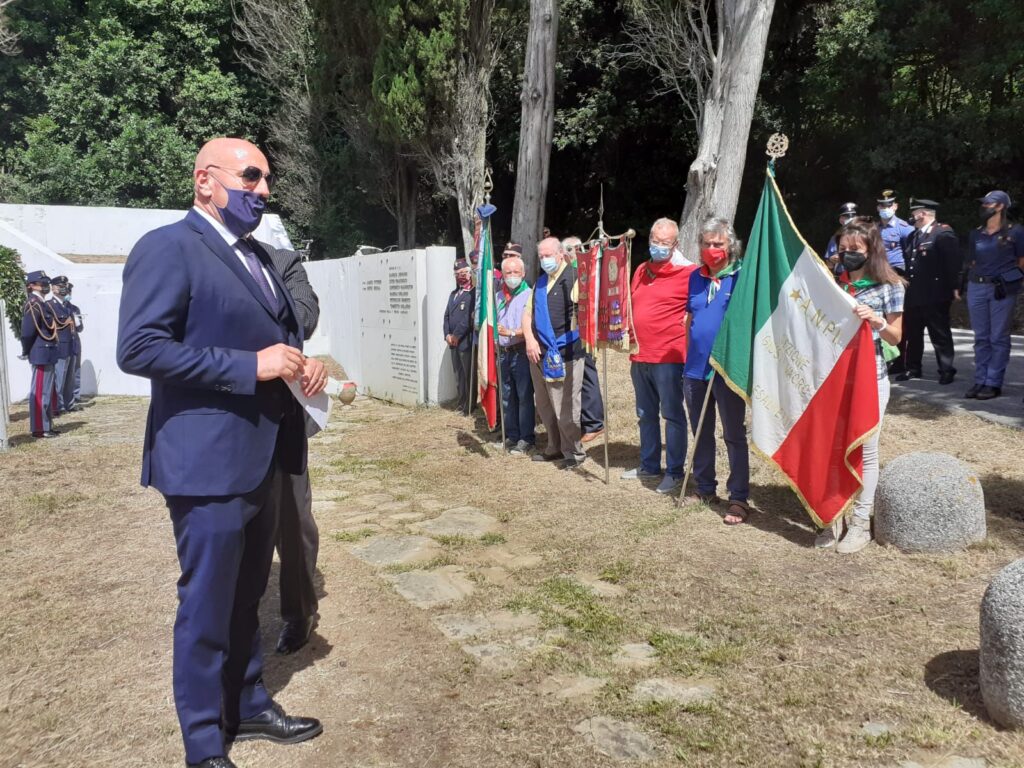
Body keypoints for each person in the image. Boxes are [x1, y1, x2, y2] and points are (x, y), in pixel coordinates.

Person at [117, 137, 324, 768]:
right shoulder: (168, 247)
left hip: (264, 454)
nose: (263, 190)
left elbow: (277, 335)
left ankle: (249, 702)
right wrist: (249, 365)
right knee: (207, 604)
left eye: (266, 180)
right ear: (205, 181)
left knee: (245, 594)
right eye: (250, 177)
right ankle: (205, 742)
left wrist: (300, 363)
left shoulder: (258, 256)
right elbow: (139, 348)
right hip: (206, 462)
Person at [816, 221, 905, 553]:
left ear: (871, 251)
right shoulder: (831, 283)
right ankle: (831, 516)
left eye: (855, 249)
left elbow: (895, 337)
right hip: (833, 378)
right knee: (831, 449)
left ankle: (859, 523)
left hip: (871, 379)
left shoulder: (890, 286)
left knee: (866, 450)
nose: (847, 254)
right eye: (843, 249)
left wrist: (877, 321)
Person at [266, 244, 322, 654]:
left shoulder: (282, 262)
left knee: (294, 522)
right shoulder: (194, 255)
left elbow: (304, 315)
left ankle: (298, 611)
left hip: (282, 420)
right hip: (226, 424)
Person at [621, 218, 696, 494]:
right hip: (640, 354)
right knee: (645, 413)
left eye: (665, 243)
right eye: (655, 241)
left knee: (672, 414)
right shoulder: (642, 270)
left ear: (675, 244)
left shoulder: (690, 272)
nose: (658, 246)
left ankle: (675, 472)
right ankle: (649, 464)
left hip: (669, 357)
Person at [684, 218, 750, 523]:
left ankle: (738, 497)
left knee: (733, 434)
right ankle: (705, 488)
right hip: (695, 370)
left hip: (727, 370)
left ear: (730, 246)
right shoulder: (695, 278)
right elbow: (691, 318)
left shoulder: (742, 277)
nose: (712, 249)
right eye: (707, 244)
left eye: (718, 244)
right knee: (700, 431)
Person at [522, 237, 586, 469]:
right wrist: (530, 340)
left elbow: (585, 312)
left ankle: (573, 452)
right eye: (541, 256)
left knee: (565, 406)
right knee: (545, 404)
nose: (544, 260)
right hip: (538, 353)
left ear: (561, 254)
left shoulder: (574, 278)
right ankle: (554, 446)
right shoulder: (540, 283)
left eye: (548, 255)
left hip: (566, 353)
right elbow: (527, 314)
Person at [963, 190, 1024, 400]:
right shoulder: (976, 234)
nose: (984, 207)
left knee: (998, 337)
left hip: (1001, 289)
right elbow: (972, 263)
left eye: (988, 204)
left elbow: (1021, 263)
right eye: (983, 204)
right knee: (981, 337)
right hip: (976, 287)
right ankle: (980, 380)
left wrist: (1009, 281)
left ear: (1000, 207)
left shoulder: (1016, 232)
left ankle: (993, 382)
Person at [895, 198, 960, 384]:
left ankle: (946, 369)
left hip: (935, 294)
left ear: (922, 214)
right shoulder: (913, 236)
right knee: (913, 334)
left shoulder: (942, 233)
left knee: (939, 333)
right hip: (914, 293)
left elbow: (953, 263)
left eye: (914, 213)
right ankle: (913, 368)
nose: (912, 216)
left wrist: (955, 287)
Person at [562, 235, 606, 442]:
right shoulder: (570, 271)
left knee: (587, 376)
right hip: (572, 333)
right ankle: (583, 420)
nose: (573, 253)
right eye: (571, 250)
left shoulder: (583, 271)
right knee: (577, 379)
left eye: (576, 249)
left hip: (583, 331)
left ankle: (594, 423)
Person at [495, 254, 535, 455]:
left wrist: (511, 332)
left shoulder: (529, 295)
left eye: (516, 272)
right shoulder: (498, 296)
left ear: (523, 273)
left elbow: (532, 327)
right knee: (507, 397)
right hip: (503, 353)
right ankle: (511, 435)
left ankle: (526, 438)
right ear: (502, 275)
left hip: (520, 351)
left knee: (524, 396)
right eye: (508, 272)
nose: (512, 276)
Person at [20, 270, 60, 438]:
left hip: (47, 352)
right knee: (39, 392)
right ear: (31, 286)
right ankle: (39, 428)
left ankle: (46, 426)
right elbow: (27, 332)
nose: (45, 286)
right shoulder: (34, 304)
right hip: (40, 353)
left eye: (46, 283)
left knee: (47, 392)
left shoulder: (41, 303)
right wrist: (26, 350)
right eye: (41, 283)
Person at [443, 258, 475, 413]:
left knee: (468, 375)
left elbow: (468, 318)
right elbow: (446, 316)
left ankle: (469, 406)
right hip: (452, 342)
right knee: (458, 374)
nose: (460, 276)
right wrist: (447, 335)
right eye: (457, 274)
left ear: (469, 274)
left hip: (465, 342)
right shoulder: (453, 294)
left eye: (463, 273)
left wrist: (456, 335)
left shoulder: (473, 294)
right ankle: (461, 403)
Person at [48, 275, 77, 415]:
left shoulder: (67, 305)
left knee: (69, 379)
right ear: (53, 288)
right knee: (58, 379)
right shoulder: (50, 305)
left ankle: (68, 403)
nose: (63, 289)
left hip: (70, 345)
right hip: (59, 346)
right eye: (60, 286)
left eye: (64, 286)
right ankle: (58, 406)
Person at [876, 189, 913, 274]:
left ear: (895, 206)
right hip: (878, 270)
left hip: (897, 271)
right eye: (883, 207)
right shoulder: (874, 228)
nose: (885, 209)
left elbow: (911, 254)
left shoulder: (905, 228)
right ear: (878, 208)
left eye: (889, 206)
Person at [823, 202, 859, 270]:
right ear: (840, 220)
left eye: (852, 216)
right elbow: (828, 265)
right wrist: (831, 260)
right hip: (840, 275)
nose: (850, 219)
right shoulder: (835, 238)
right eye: (846, 217)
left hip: (858, 274)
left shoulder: (865, 237)